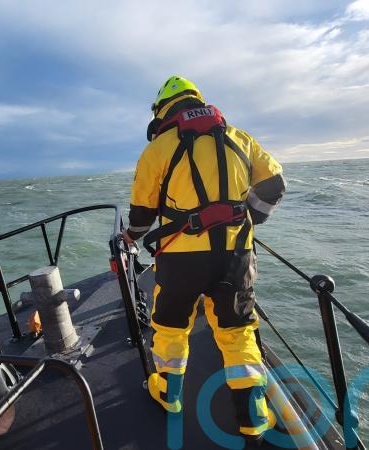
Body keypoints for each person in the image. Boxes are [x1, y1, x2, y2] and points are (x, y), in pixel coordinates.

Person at [122, 75, 285, 444]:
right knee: (237, 330)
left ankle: (168, 393)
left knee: (171, 326)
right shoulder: (240, 138)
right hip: (235, 255)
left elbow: (142, 215)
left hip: (181, 259)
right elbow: (275, 183)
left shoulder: (158, 148)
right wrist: (251, 217)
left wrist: (130, 237)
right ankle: (254, 415)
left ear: (163, 110)